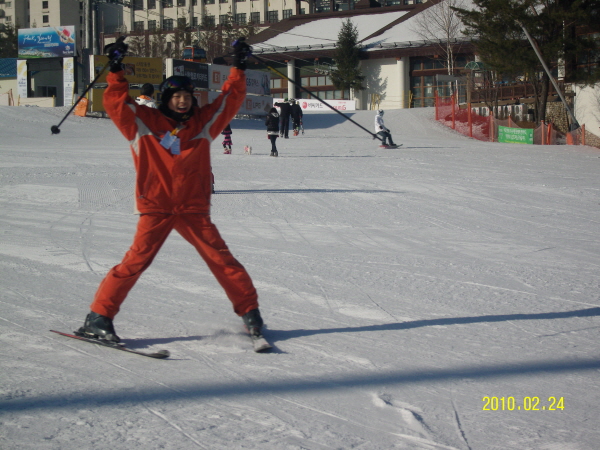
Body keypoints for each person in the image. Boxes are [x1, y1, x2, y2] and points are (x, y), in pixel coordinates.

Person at [78, 37, 264, 342]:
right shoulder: (142, 122)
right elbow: (115, 103)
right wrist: (115, 70)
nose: (183, 100)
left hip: (193, 208)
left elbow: (230, 100)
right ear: (165, 97)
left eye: (188, 96)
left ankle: (251, 315)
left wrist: (239, 68)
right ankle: (98, 318)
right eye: (176, 95)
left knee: (222, 259)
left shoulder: (204, 124)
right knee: (135, 262)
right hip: (156, 205)